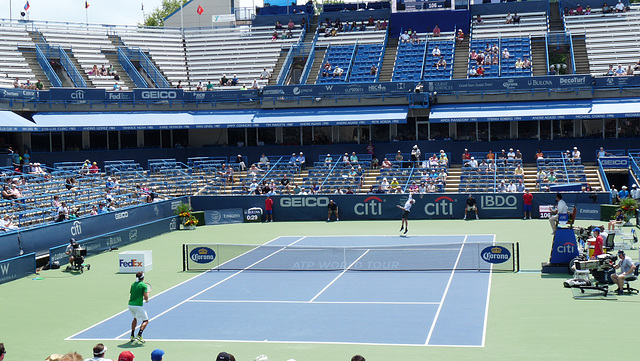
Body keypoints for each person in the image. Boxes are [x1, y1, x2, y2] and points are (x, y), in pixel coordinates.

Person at [128, 271, 150, 343]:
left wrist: (143, 298)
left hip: (130, 305)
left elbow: (133, 294)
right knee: (146, 321)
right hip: (137, 306)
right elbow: (145, 296)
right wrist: (146, 299)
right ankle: (139, 334)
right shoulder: (143, 285)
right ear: (143, 277)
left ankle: (132, 335)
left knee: (135, 318)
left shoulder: (133, 284)